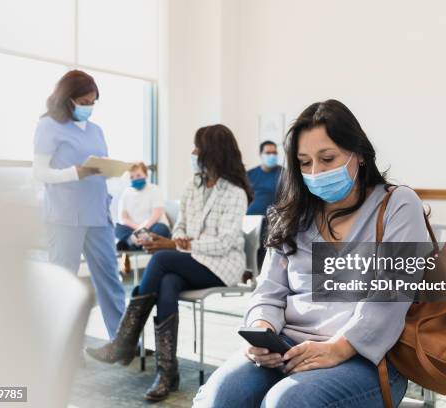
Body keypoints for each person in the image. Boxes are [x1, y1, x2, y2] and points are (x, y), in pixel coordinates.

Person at [193, 100, 429, 408]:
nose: (316, 172)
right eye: (305, 162)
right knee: (221, 396)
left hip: (369, 356)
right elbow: (268, 292)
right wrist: (262, 331)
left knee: (286, 402)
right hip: (288, 346)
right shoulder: (293, 214)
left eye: (327, 158)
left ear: (358, 154)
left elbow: (391, 295)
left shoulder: (398, 204)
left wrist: (338, 348)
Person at [86, 124, 252, 402]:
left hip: (222, 265)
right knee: (167, 282)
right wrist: (178, 239)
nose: (193, 152)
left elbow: (225, 243)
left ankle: (123, 343)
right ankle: (167, 373)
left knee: (162, 258)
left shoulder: (235, 192)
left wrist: (173, 244)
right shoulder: (193, 185)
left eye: (197, 147)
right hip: (190, 260)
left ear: (213, 152)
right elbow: (181, 226)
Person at [33, 70, 125, 340]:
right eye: (84, 102)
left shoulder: (97, 130)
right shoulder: (48, 126)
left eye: (93, 101)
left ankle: (120, 342)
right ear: (68, 98)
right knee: (64, 282)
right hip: (64, 216)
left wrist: (109, 169)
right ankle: (62, 345)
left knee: (110, 280)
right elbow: (40, 172)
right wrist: (74, 173)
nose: (89, 107)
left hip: (97, 213)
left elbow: (99, 165)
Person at [247, 140, 282, 216]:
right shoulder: (250, 174)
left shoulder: (284, 174)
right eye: (268, 153)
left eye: (274, 153)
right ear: (260, 154)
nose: (272, 155)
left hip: (273, 220)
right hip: (249, 218)